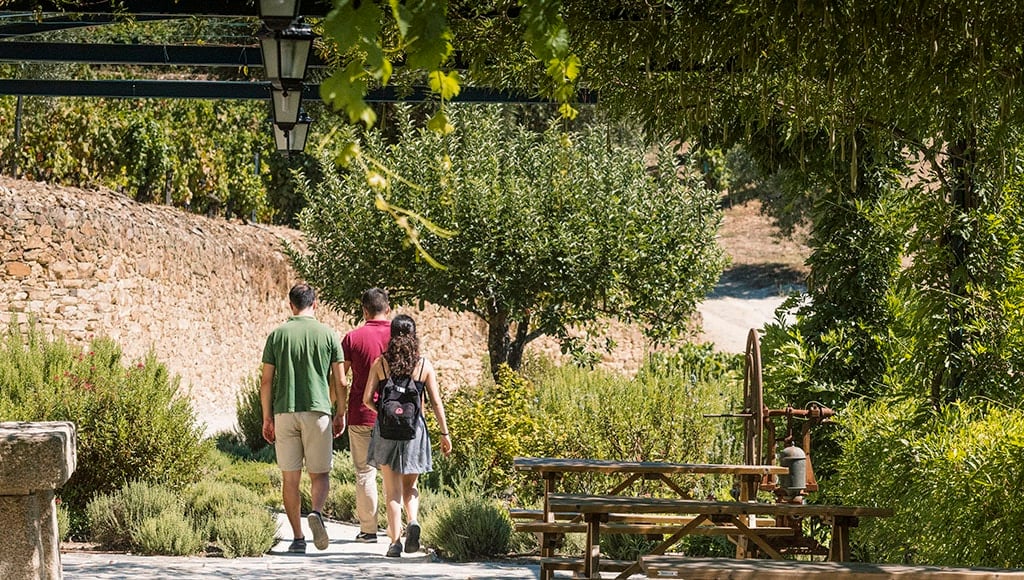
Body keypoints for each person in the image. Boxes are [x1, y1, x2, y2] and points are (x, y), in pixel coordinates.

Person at [261, 283, 345, 554]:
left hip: (284, 412)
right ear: (315, 304)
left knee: (290, 479)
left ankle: (297, 538)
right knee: (320, 475)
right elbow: (341, 380)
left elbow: (266, 381)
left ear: (290, 305)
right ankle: (317, 513)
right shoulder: (328, 335)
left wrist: (266, 418)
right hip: (318, 411)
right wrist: (340, 411)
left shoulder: (277, 335)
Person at [362, 314, 452, 558]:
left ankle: (394, 543)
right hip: (415, 431)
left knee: (391, 491)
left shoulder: (380, 364)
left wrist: (381, 412)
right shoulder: (423, 366)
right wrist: (445, 433)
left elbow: (366, 399)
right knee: (410, 486)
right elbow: (435, 402)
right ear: (414, 336)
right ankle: (413, 520)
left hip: (387, 431)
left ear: (392, 336)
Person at [340, 287, 392, 542]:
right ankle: (397, 530)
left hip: (361, 414)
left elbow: (341, 377)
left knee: (365, 473)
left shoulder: (352, 338)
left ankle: (369, 530)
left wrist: (338, 408)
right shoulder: (400, 337)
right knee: (395, 472)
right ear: (388, 308)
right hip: (396, 417)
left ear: (364, 310)